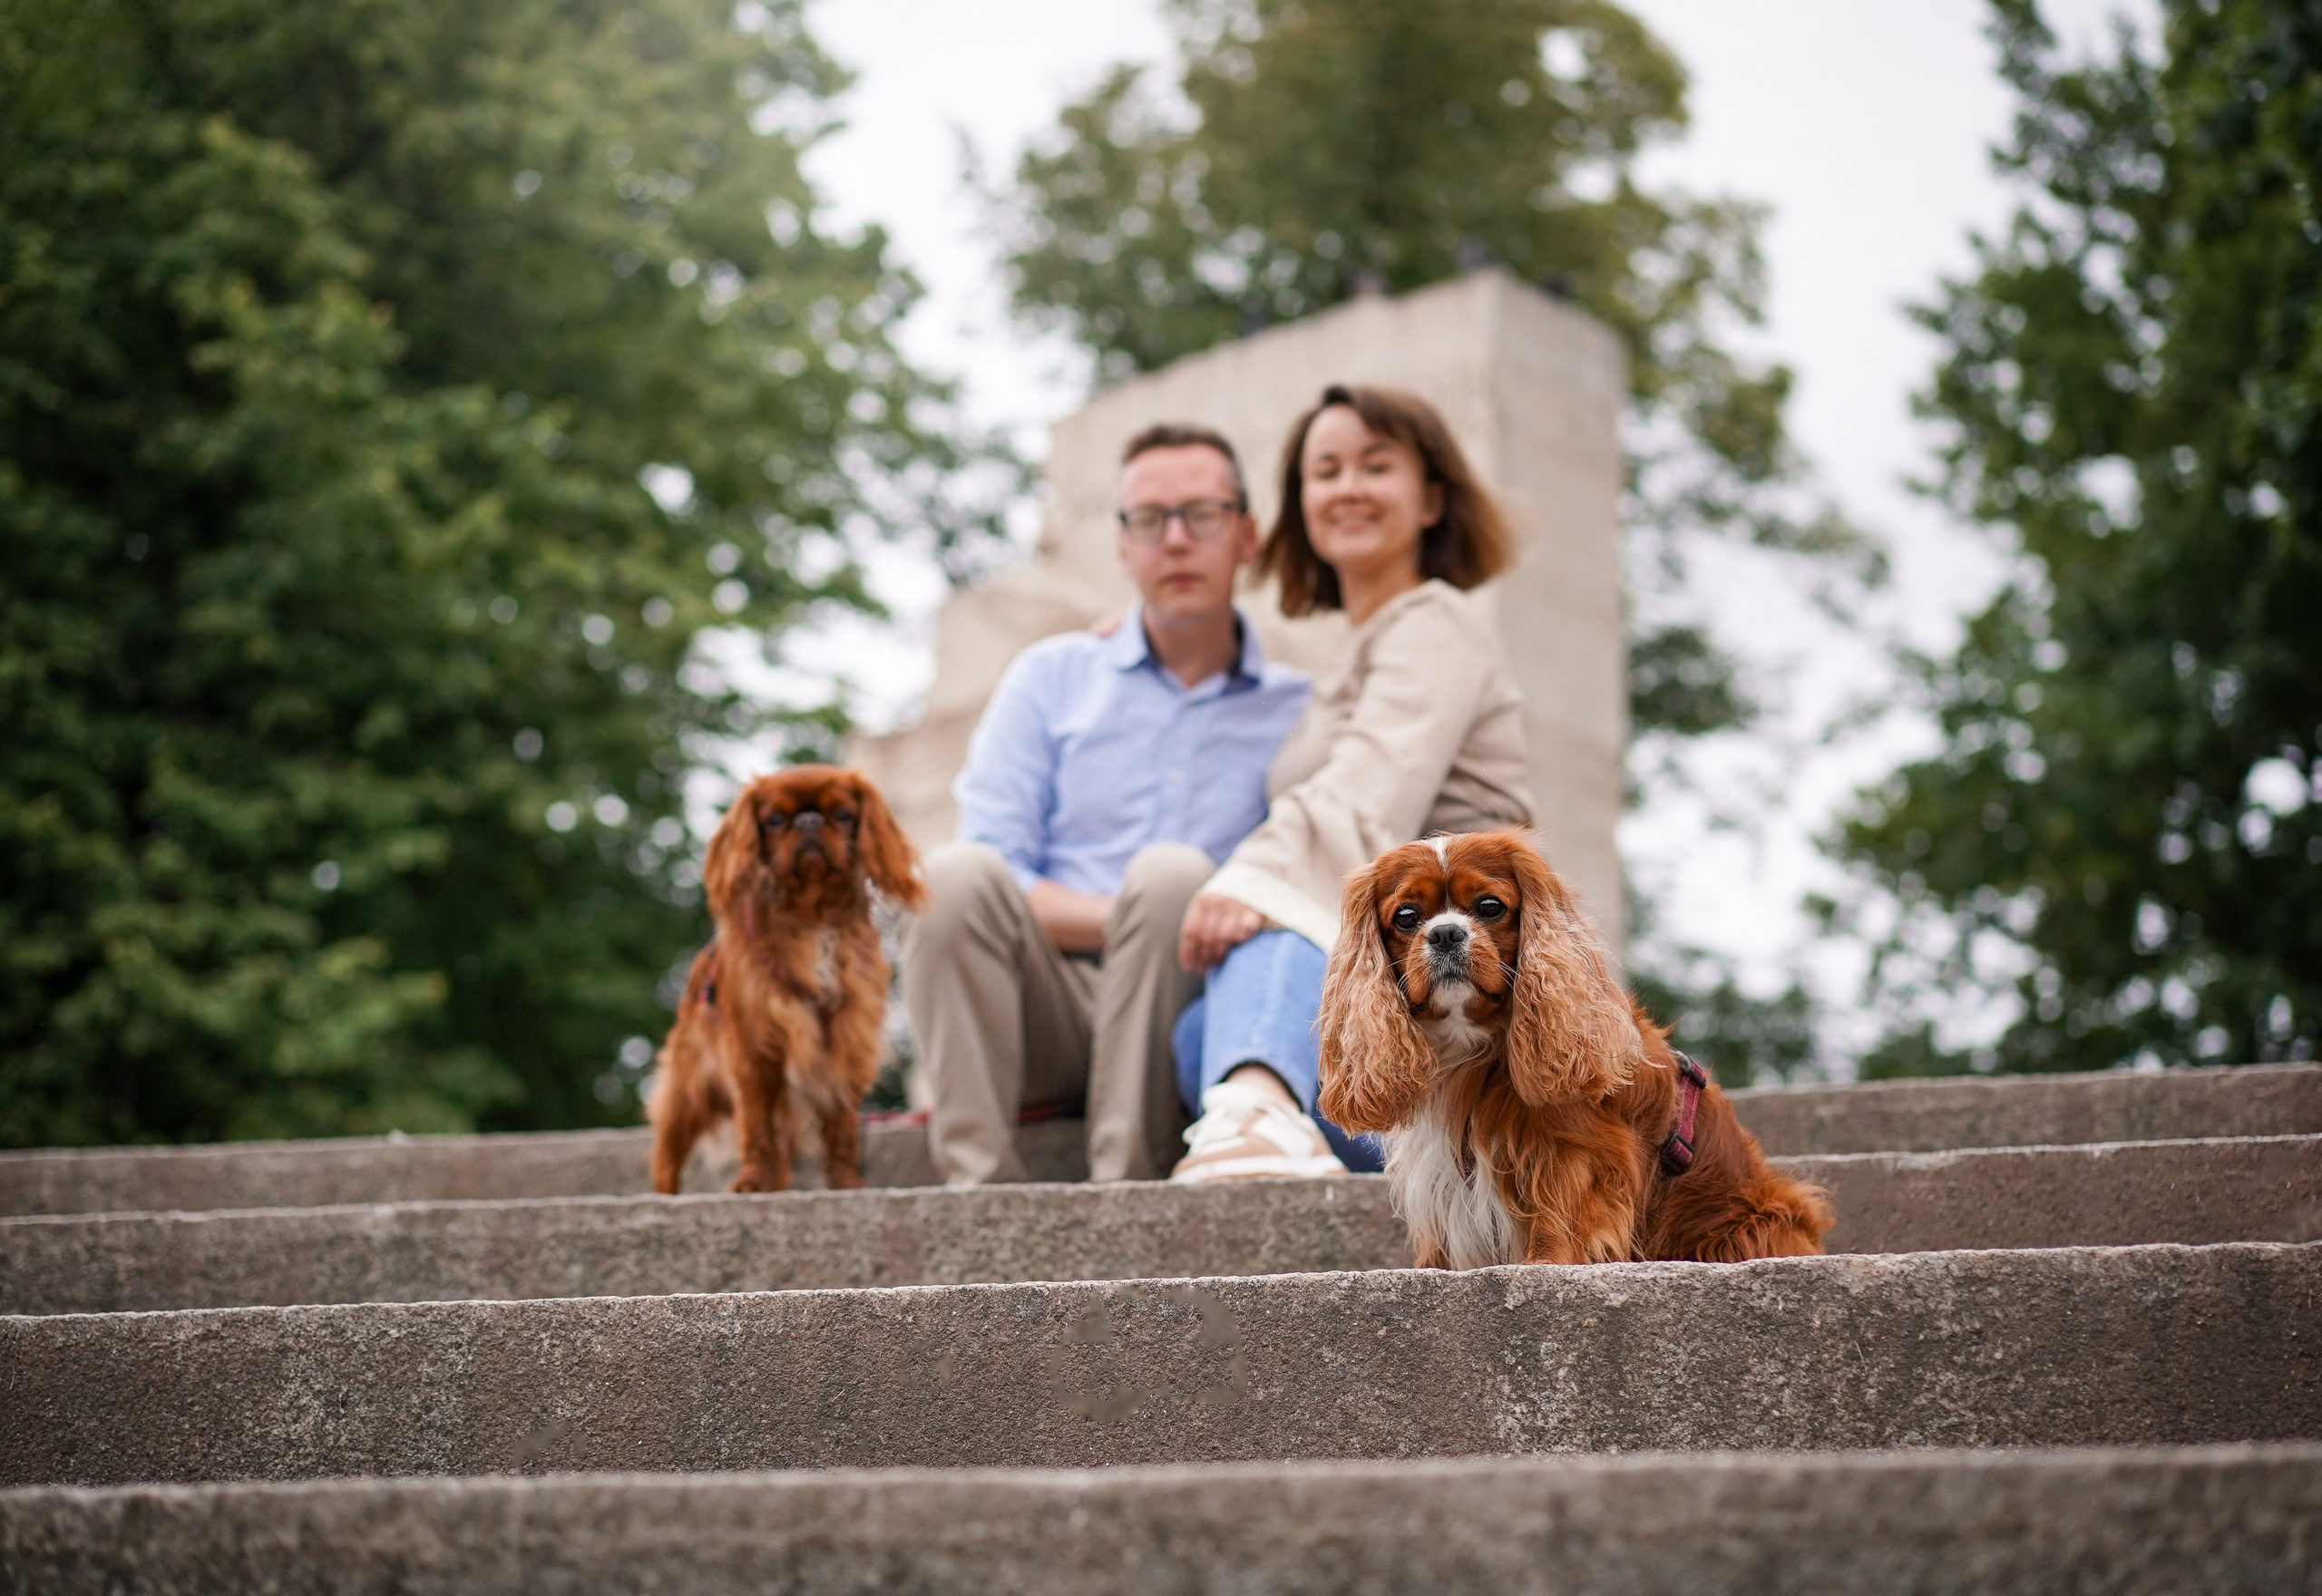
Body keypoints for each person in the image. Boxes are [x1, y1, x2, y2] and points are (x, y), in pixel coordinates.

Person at [902, 423, 1310, 1186]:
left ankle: (1122, 1193)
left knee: (1172, 875)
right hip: (1045, 1006)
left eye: (1204, 514)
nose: (1177, 540)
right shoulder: (1051, 678)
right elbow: (996, 867)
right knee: (948, 877)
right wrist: (1131, 917)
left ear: (1247, 535)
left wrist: (1172, 910)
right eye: (1150, 520)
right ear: (1123, 546)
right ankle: (975, 1196)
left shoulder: (1300, 708)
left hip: (1190, 1008)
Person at [1166, 384, 1536, 1183]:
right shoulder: (1350, 656)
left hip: (1469, 1002)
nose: (1349, 488)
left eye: (1377, 465)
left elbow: (1369, 795)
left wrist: (1256, 881)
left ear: (1432, 498)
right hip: (1393, 1020)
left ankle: (1262, 1118)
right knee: (1198, 1034)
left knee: (1274, 916)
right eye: (1325, 470)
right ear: (1301, 505)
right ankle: (1268, 1113)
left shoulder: (1436, 623)